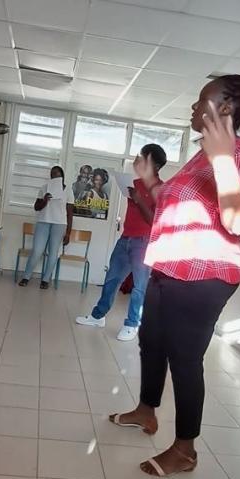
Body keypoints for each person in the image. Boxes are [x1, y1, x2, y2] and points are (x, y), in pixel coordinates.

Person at [109, 75, 240, 475]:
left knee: (184, 359)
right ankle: (146, 411)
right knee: (151, 342)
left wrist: (222, 159)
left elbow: (238, 220)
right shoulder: (200, 157)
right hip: (169, 266)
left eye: (202, 101)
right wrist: (150, 182)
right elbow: (173, 205)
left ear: (225, 109)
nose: (194, 108)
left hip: (205, 275)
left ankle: (185, 449)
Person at [76, 144, 167, 341]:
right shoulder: (135, 184)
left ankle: (132, 324)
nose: (139, 162)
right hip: (125, 239)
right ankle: (98, 316)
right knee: (111, 280)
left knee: (139, 286)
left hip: (144, 243)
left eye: (144, 159)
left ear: (156, 166)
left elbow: (154, 221)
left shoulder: (161, 189)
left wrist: (139, 200)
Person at [19, 166, 73, 290]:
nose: (54, 176)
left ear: (62, 176)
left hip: (59, 224)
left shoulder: (68, 191)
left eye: (57, 174)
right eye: (52, 174)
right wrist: (44, 200)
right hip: (43, 222)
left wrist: (68, 233)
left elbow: (70, 213)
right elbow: (36, 207)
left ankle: (46, 279)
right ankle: (26, 276)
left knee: (53, 252)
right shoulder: (44, 188)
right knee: (37, 250)